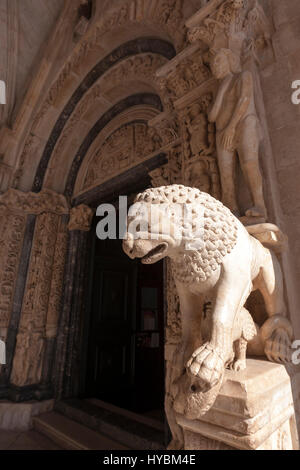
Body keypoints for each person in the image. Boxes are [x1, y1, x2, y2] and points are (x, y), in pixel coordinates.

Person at [208, 48, 267, 219]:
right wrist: (223, 88)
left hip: (243, 123)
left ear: (229, 60)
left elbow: (244, 100)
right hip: (222, 132)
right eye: (213, 63)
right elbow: (212, 116)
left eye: (218, 61)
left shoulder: (243, 76)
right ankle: (231, 210)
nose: (214, 66)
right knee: (226, 175)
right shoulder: (223, 86)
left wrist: (232, 127)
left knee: (249, 164)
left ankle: (260, 205)